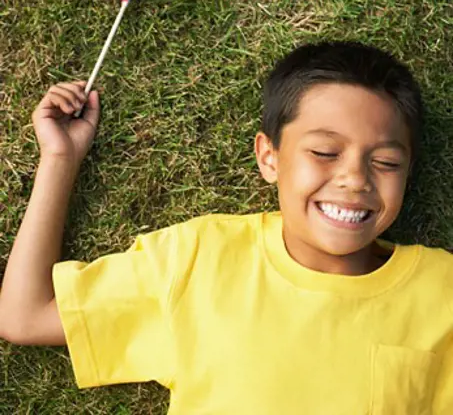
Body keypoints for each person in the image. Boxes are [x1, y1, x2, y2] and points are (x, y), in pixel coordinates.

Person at [0, 40, 452, 414]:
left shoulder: (442, 289)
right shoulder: (200, 259)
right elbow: (25, 315)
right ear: (269, 157)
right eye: (325, 152)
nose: (355, 179)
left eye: (386, 162)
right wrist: (60, 160)